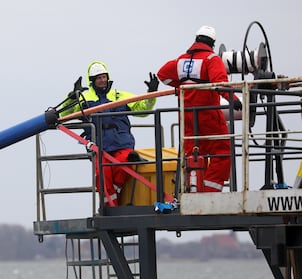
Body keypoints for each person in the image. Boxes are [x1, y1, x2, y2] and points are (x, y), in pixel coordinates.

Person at [60, 61, 158, 206]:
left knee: (125, 163)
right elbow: (63, 114)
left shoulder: (119, 95)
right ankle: (110, 209)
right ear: (92, 81)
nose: (102, 80)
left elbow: (142, 109)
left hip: (122, 143)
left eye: (104, 77)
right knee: (103, 175)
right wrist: (72, 97)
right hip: (99, 147)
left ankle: (114, 199)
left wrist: (151, 94)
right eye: (99, 78)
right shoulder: (84, 99)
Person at [157, 25, 242, 192]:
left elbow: (162, 75)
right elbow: (220, 83)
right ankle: (210, 192)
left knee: (193, 156)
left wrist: (180, 86)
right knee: (223, 153)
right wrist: (233, 99)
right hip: (208, 116)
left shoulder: (180, 60)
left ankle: (194, 192)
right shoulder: (211, 59)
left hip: (187, 118)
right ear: (212, 43)